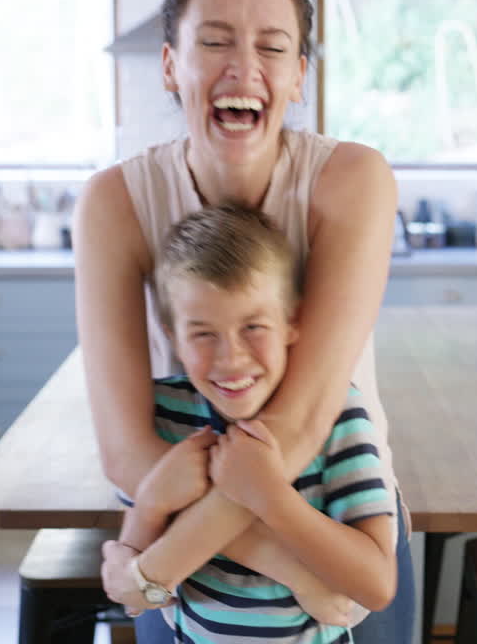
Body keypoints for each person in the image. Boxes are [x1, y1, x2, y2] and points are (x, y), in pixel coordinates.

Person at [72, 0, 414, 641]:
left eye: (273, 47)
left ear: (299, 76)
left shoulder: (352, 181)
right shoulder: (115, 203)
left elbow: (301, 421)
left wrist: (147, 567)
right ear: (170, 65)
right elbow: (127, 454)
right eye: (215, 41)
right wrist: (291, 571)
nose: (244, 68)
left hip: (339, 523)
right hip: (214, 577)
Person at [117, 204, 397, 642]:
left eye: (253, 327)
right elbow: (134, 596)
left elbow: (375, 586)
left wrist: (269, 496)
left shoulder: (336, 412)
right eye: (203, 334)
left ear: (292, 323)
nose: (231, 359)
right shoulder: (163, 415)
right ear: (172, 337)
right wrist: (152, 503)